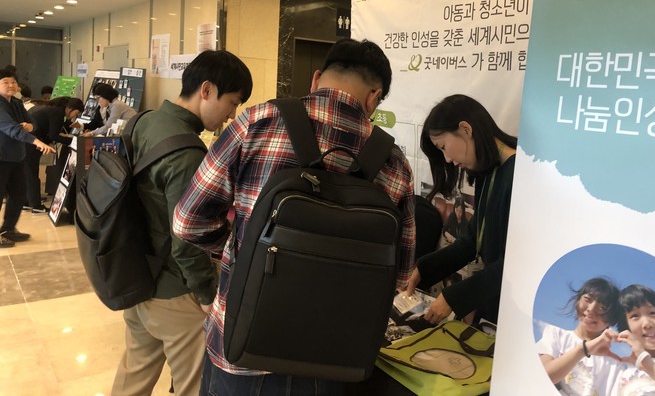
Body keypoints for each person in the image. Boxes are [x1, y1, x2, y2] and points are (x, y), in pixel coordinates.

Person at [173, 38, 416, 395]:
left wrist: (244, 247)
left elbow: (186, 222)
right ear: (373, 98)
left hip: (242, 346)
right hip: (332, 359)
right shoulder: (395, 163)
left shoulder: (257, 123)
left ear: (316, 78)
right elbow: (401, 273)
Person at [111, 50, 253, 396]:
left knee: (133, 377)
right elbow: (186, 238)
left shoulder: (144, 121)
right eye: (232, 102)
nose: (231, 114)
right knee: (196, 386)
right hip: (174, 291)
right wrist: (206, 294)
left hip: (137, 274)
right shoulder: (188, 153)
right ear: (206, 90)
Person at [405, 94, 516, 326]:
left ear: (465, 129)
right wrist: (425, 269)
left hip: (514, 310)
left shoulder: (519, 175)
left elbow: (516, 264)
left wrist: (455, 297)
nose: (448, 159)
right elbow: (473, 240)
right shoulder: (489, 171)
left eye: (443, 147)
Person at [537, 277, 623, 396]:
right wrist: (584, 349)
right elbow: (543, 376)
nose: (591, 309)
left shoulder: (613, 365)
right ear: (577, 300)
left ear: (612, 320)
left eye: (602, 308)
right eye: (587, 299)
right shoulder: (555, 334)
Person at [0, 69, 55, 247]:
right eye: (5, 82)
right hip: (1, 157)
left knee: (18, 194)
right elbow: (12, 129)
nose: (11, 85)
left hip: (16, 157)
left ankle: (8, 229)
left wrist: (31, 127)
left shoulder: (16, 103)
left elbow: (32, 122)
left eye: (13, 82)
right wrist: (37, 142)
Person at [24, 97, 84, 213]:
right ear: (70, 108)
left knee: (28, 173)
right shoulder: (57, 113)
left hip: (29, 142)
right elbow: (53, 135)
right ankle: (36, 206)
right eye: (75, 114)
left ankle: (27, 202)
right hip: (31, 143)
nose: (74, 117)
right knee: (31, 174)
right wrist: (73, 141)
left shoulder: (52, 109)